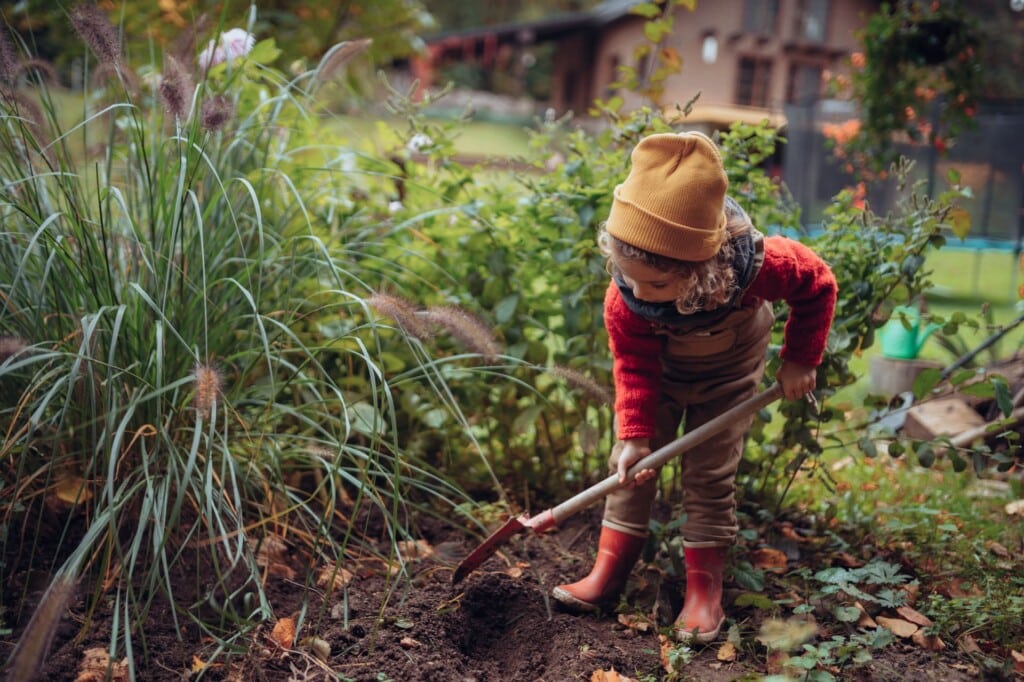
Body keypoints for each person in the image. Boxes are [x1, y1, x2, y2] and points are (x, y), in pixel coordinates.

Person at [552, 131, 837, 643]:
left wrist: (799, 359)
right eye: (627, 275)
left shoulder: (763, 267)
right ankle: (608, 574)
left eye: (656, 285)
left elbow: (819, 284)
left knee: (710, 475)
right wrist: (637, 433)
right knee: (631, 468)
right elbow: (634, 365)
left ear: (703, 268)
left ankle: (703, 592)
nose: (639, 292)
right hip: (659, 377)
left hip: (728, 377)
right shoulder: (628, 300)